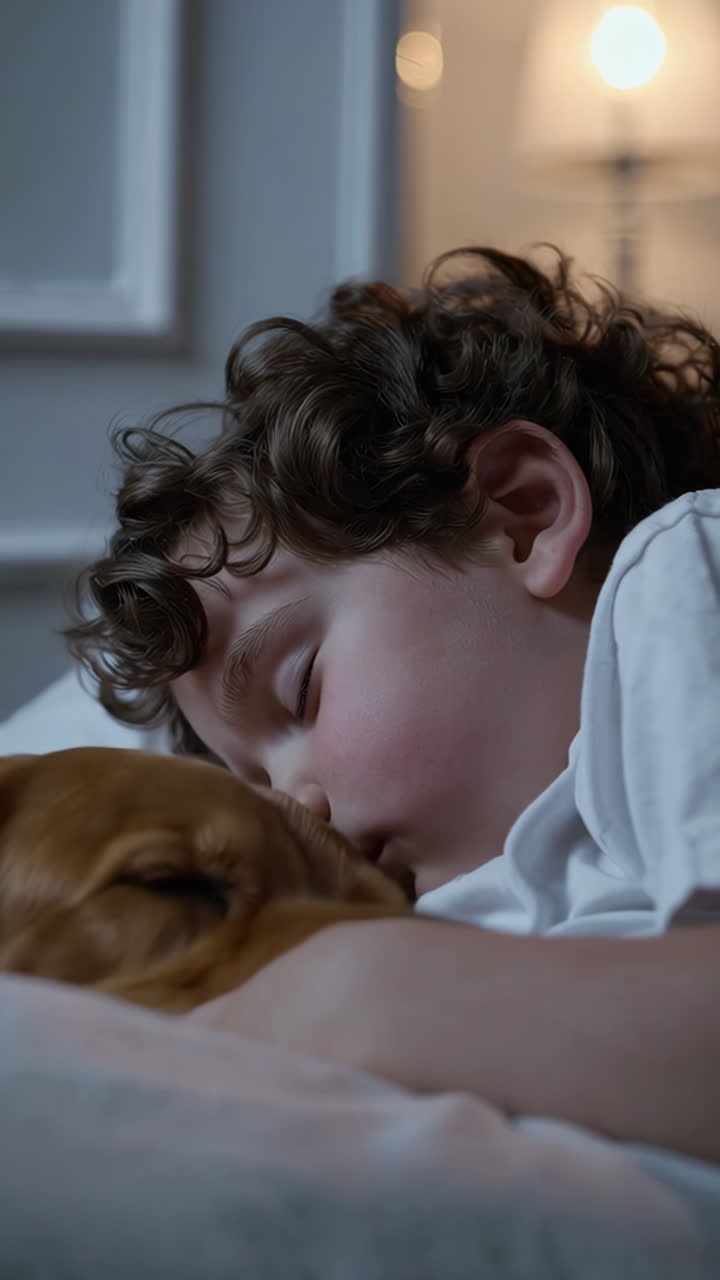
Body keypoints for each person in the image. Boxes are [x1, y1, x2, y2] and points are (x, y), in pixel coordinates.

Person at [68, 247, 720, 1163]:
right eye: (255, 779)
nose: (296, 806)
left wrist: (360, 997)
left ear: (524, 513)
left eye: (301, 690)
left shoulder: (683, 583)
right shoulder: (430, 904)